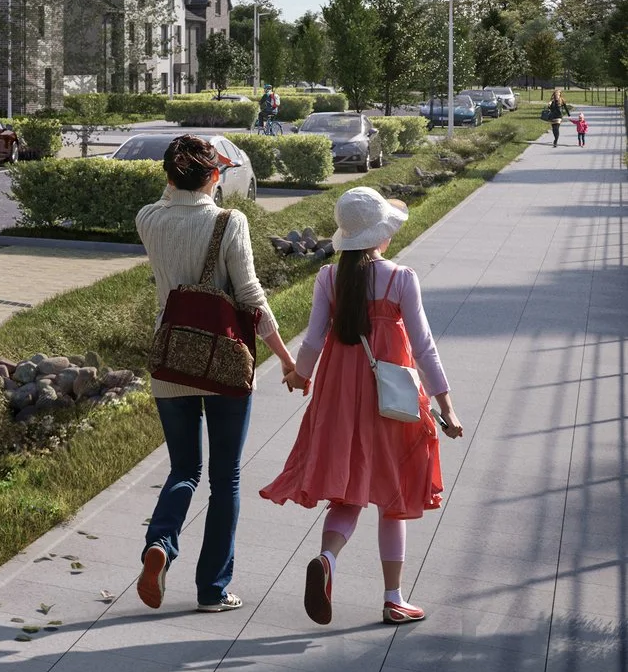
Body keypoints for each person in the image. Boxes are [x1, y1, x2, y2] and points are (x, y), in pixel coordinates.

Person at [262, 186, 461, 626]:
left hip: (339, 395)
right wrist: (446, 404)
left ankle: (328, 560)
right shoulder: (400, 278)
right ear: (380, 235)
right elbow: (424, 347)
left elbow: (313, 338)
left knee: (349, 489)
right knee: (393, 496)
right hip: (390, 400)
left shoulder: (329, 279)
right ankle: (393, 597)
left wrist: (300, 375)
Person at [134, 134, 303, 614]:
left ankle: (161, 544)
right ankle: (212, 589)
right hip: (226, 362)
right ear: (214, 176)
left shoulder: (148, 219)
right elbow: (250, 296)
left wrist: (185, 179)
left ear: (168, 176)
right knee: (225, 477)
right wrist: (287, 362)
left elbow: (172, 198)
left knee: (184, 468)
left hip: (171, 360)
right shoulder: (231, 221)